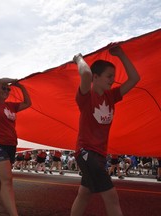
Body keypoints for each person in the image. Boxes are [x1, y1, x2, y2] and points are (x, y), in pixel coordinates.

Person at [70, 45, 140, 216]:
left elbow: (134, 78)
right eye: (109, 76)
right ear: (96, 77)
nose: (112, 80)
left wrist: (122, 54)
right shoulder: (86, 97)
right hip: (87, 152)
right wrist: (78, 57)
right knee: (112, 197)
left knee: (84, 194)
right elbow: (85, 74)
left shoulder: (111, 96)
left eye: (113, 77)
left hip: (99, 155)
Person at [0, 78, 31, 216]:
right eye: (3, 88)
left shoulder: (11, 106)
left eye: (8, 89)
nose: (6, 90)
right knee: (7, 180)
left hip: (11, 145)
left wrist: (21, 87)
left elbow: (28, 103)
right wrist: (13, 80)